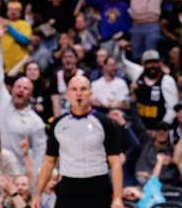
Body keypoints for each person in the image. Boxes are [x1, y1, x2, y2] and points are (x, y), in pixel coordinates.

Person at [32, 75, 124, 208]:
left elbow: (115, 163)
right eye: (74, 89)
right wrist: (37, 193)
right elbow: (49, 161)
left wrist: (117, 198)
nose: (78, 94)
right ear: (68, 93)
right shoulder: (57, 124)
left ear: (90, 93)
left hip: (98, 187)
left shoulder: (105, 122)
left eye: (83, 89)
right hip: (68, 188)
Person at [0, 19, 47, 172]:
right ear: (12, 89)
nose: (21, 90)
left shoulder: (36, 123)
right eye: (18, 86)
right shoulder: (1, 99)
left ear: (31, 95)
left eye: (26, 88)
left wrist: (33, 182)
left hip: (18, 175)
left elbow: (40, 155)